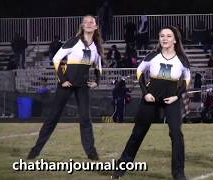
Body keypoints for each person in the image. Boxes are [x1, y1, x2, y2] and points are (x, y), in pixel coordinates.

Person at [111, 26, 191, 180]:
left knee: (176, 134)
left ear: (175, 40)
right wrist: (145, 93)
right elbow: (139, 72)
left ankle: (179, 173)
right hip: (151, 98)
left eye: (169, 36)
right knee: (138, 133)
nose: (165, 38)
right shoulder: (152, 55)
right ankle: (121, 169)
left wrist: (177, 96)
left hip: (171, 99)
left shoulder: (182, 59)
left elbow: (187, 80)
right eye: (162, 36)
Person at [27, 15, 103, 160]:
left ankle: (91, 153)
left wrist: (97, 81)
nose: (88, 24)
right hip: (66, 84)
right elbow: (56, 58)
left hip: (82, 86)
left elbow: (98, 66)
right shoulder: (74, 41)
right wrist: (62, 80)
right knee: (52, 118)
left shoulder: (95, 47)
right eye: (85, 22)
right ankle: (35, 150)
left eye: (91, 22)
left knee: (85, 120)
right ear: (82, 25)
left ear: (95, 26)